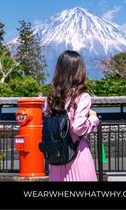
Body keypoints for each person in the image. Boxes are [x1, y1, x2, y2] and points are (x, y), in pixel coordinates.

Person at [44, 50, 99, 181]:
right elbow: (78, 127)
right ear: (79, 71)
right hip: (77, 155)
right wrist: (93, 119)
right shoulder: (82, 97)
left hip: (56, 158)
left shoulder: (51, 98)